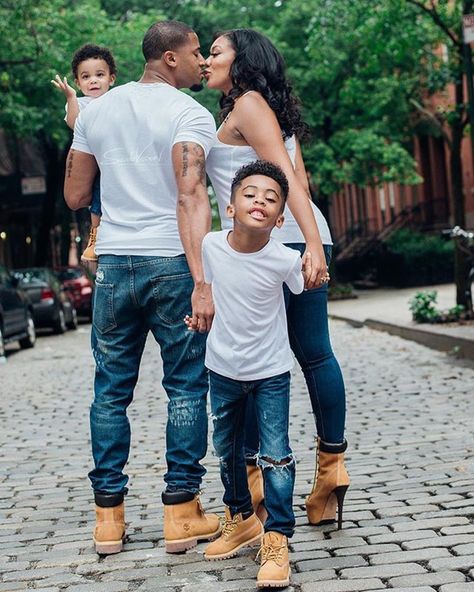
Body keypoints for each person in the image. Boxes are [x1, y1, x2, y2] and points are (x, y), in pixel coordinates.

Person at [63, 20, 221, 555]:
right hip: (170, 263)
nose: (204, 61)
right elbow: (190, 195)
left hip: (112, 266)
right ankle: (181, 513)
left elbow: (75, 194)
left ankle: (108, 520)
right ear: (170, 59)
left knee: (109, 391)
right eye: (197, 52)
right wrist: (202, 281)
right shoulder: (188, 114)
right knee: (184, 385)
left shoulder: (98, 111)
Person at [204, 29, 350, 531]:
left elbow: (287, 179)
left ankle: (254, 486)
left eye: (216, 52)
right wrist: (316, 241)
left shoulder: (246, 104)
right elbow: (301, 182)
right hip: (295, 237)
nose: (207, 60)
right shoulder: (265, 108)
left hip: (271, 244)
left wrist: (308, 245)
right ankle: (332, 467)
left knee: (247, 361)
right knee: (314, 353)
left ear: (241, 61)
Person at [191, 160, 303, 588]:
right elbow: (211, 294)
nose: (260, 201)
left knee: (275, 454)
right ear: (231, 207)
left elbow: (303, 287)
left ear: (278, 220)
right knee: (229, 449)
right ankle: (240, 519)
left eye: (271, 199)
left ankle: (277, 537)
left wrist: (315, 265)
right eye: (251, 194)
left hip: (271, 370)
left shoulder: (284, 259)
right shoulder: (211, 246)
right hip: (222, 368)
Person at [52, 44, 116, 264]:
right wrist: (70, 97)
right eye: (86, 77)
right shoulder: (81, 103)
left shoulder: (118, 101)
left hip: (113, 159)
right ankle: (96, 236)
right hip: (91, 162)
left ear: (112, 78)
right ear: (78, 83)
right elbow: (73, 122)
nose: (94, 81)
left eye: (100, 75)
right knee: (96, 195)